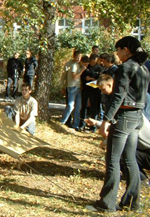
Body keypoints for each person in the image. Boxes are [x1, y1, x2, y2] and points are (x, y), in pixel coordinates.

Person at [87, 36, 150, 213]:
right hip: (137, 117)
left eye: (118, 50)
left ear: (126, 50)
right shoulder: (143, 68)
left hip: (123, 117)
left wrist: (106, 120)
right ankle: (132, 203)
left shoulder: (126, 68)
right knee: (130, 160)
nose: (117, 54)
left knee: (113, 160)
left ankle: (106, 203)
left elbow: (118, 95)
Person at [60, 50, 86, 130]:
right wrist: (62, 86)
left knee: (78, 107)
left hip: (78, 87)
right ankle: (63, 121)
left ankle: (76, 125)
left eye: (79, 58)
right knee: (70, 105)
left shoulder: (80, 65)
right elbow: (63, 76)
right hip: (70, 86)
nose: (78, 59)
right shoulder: (69, 64)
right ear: (73, 57)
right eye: (77, 57)